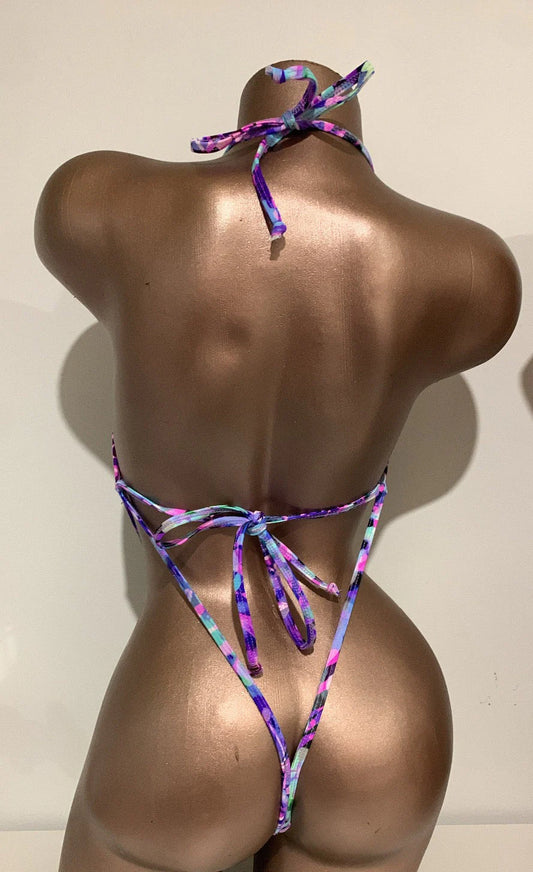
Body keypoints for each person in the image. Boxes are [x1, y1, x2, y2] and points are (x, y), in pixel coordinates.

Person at [34, 58, 521, 872]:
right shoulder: (466, 266)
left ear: (245, 122)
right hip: (377, 693)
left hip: (195, 687)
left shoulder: (100, 200)